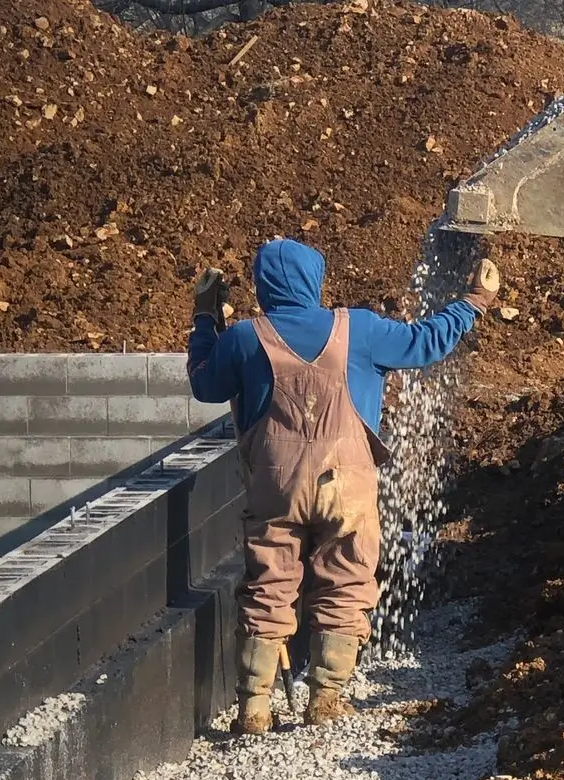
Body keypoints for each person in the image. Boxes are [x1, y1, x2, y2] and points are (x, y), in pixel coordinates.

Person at [186, 237, 500, 734]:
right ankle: (326, 698)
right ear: (315, 280)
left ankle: (253, 707)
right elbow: (425, 342)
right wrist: (474, 302)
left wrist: (206, 318)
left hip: (276, 487)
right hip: (346, 488)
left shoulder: (246, 337)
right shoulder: (360, 329)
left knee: (269, 585)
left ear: (261, 284)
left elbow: (204, 385)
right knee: (347, 581)